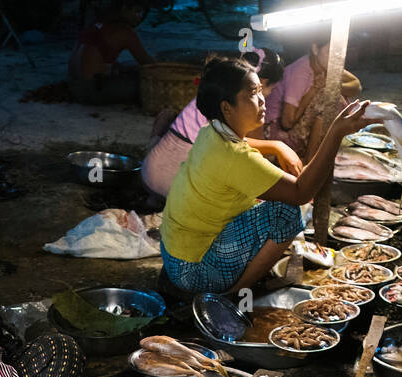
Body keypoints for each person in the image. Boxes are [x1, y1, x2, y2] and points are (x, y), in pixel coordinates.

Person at [159, 55, 371, 295]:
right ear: (226, 108)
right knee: (285, 212)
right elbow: (301, 192)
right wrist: (335, 133)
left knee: (263, 200)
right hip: (194, 272)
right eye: (251, 93)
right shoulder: (236, 158)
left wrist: (276, 146)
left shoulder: (211, 131)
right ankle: (235, 294)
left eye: (260, 90)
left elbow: (244, 144)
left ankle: (234, 279)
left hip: (174, 257)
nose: (262, 100)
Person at [141, 49, 296, 199]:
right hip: (173, 184)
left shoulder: (220, 90)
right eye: (271, 89)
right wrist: (276, 147)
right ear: (261, 83)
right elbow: (243, 152)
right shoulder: (238, 108)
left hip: (150, 171)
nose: (264, 98)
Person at [266, 28, 362, 162]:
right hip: (274, 132)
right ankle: (310, 161)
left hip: (295, 125)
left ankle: (317, 151)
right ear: (315, 49)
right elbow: (287, 123)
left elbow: (356, 86)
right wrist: (314, 91)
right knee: (327, 97)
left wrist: (326, 86)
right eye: (330, 52)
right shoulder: (300, 73)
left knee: (333, 92)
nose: (336, 58)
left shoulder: (326, 64)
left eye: (339, 52)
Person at [68, 2, 153, 105]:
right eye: (137, 12)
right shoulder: (125, 32)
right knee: (147, 84)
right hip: (91, 93)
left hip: (73, 87)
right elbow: (150, 65)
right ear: (124, 7)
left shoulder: (97, 23)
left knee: (128, 66)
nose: (140, 17)